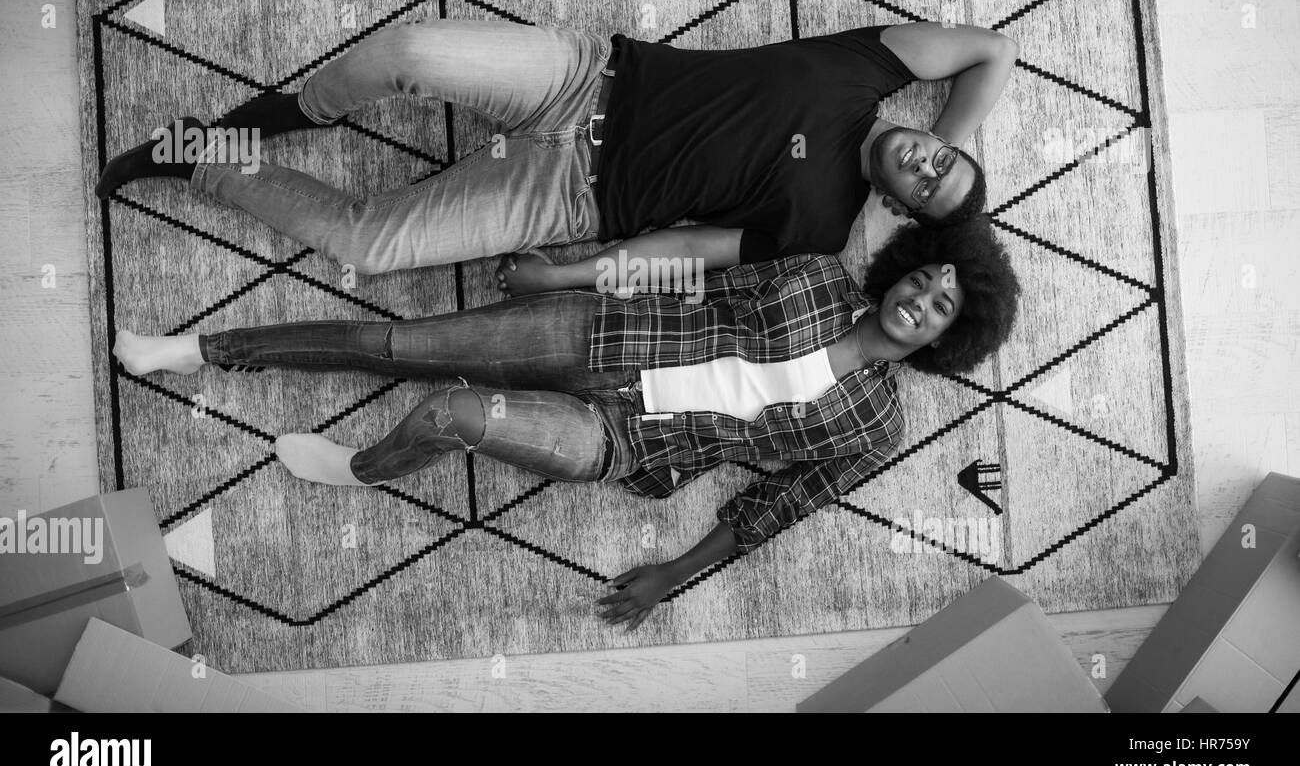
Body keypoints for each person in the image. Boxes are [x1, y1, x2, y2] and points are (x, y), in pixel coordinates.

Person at [113, 218, 1020, 631]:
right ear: (901, 268)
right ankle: (196, 349)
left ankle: (360, 469)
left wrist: (672, 573)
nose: (920, 298)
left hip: (625, 440)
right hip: (601, 329)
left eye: (942, 305)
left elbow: (778, 507)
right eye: (924, 278)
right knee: (397, 344)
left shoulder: (875, 427)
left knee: (448, 411)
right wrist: (564, 277)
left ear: (949, 336)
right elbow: (684, 273)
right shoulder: (821, 276)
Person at [94, 18, 1017, 284]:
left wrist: (579, 270)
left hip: (569, 197)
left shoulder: (822, 227)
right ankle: (299, 109)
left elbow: (690, 250)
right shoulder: (868, 70)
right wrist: (952, 142)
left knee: (367, 247)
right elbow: (992, 51)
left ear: (900, 209)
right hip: (585, 81)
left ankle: (197, 161)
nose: (925, 165)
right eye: (940, 160)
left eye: (928, 186)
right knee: (408, 55)